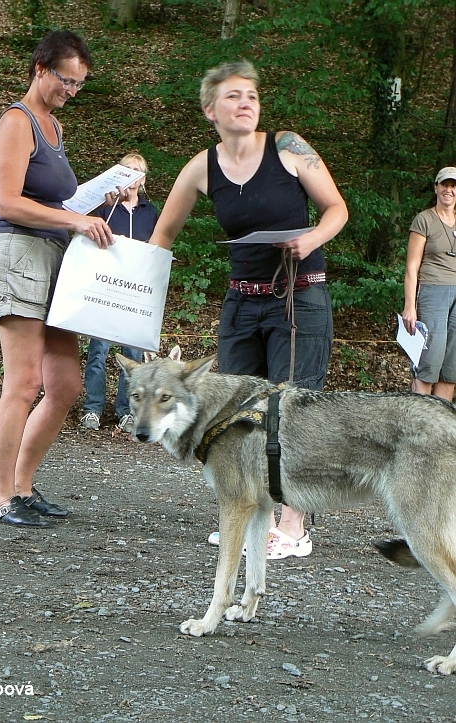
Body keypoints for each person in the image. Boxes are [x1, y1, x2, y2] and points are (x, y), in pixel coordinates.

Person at [149, 60, 348, 559]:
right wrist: (134, 294)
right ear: (209, 109)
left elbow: (337, 209)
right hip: (242, 302)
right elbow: (162, 236)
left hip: (297, 296)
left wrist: (311, 239)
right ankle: (252, 518)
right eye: (234, 96)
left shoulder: (287, 148)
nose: (246, 104)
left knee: (295, 408)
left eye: (252, 97)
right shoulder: (202, 166)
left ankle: (294, 528)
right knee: (234, 412)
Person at [0, 30, 124, 527]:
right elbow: (7, 201)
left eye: (80, 84)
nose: (72, 90)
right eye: (66, 80)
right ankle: (1, 499)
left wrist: (95, 205)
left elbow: (56, 203)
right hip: (17, 253)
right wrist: (74, 220)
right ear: (40, 68)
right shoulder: (18, 121)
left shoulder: (55, 127)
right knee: (22, 383)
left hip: (54, 259)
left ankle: (22, 485)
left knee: (64, 385)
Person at [80, 152, 159, 433]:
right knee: (98, 352)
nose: (132, 174)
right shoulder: (105, 208)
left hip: (134, 293)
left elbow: (156, 249)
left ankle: (126, 411)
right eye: (126, 169)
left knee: (132, 356)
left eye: (137, 170)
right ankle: (93, 409)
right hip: (105, 289)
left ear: (143, 178)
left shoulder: (150, 212)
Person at [402, 167, 456, 402]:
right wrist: (410, 306)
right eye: (445, 184)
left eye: (454, 186)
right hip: (433, 290)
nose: (449, 190)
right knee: (430, 360)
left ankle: (439, 427)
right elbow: (411, 268)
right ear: (436, 187)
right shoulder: (424, 219)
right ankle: (418, 422)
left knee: (451, 365)